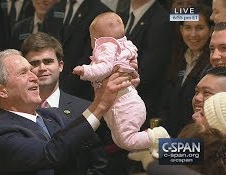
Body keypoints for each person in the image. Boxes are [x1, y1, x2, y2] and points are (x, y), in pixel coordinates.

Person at [0, 49, 135, 175]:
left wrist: (122, 87)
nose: (34, 77)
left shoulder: (52, 116)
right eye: (23, 73)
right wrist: (100, 104)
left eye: (31, 71)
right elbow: (52, 153)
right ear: (1, 90)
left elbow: (92, 142)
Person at [73, 12, 169, 156]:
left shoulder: (107, 47)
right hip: (123, 103)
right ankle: (145, 150)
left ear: (97, 38)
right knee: (119, 140)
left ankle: (157, 136)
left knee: (126, 139)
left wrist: (85, 70)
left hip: (124, 105)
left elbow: (104, 69)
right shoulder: (123, 47)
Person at [21, 32, 107, 175]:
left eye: (48, 61)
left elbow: (99, 164)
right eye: (34, 63)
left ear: (60, 65)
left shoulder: (86, 109)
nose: (42, 68)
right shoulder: (17, 110)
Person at [41, 0, 111, 101]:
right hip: (49, 86)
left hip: (82, 90)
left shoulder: (101, 12)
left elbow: (92, 55)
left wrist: (65, 85)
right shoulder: (55, 8)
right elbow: (43, 44)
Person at [160, 4, 212, 137]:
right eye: (188, 28)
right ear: (181, 29)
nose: (193, 34)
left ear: (211, 30)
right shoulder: (176, 59)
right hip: (171, 137)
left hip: (196, 140)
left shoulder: (212, 65)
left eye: (199, 28)